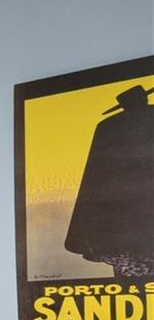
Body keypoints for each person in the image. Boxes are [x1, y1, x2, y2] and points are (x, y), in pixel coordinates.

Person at [64, 84, 154, 279]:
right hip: (125, 223)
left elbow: (94, 179)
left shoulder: (108, 126)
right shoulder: (109, 126)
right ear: (144, 99)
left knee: (129, 281)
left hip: (117, 225)